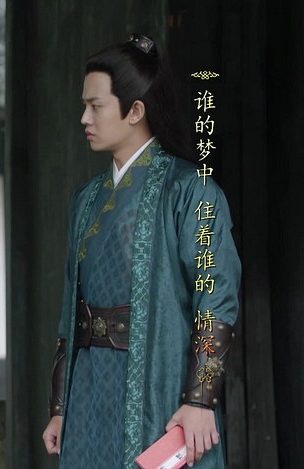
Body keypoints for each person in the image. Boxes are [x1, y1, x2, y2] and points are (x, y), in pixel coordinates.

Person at [41, 35, 240, 469]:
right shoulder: (85, 200)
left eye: (95, 106)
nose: (84, 117)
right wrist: (60, 406)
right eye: (84, 105)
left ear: (135, 111)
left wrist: (200, 398)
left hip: (160, 387)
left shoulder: (191, 191)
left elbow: (216, 300)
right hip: (89, 391)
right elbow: (69, 311)